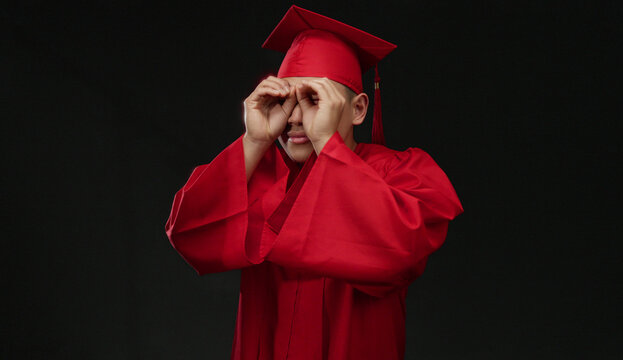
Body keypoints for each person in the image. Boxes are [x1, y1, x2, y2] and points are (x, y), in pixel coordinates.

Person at [165, 5, 463, 360]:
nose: (292, 117)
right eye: (284, 99)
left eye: (313, 100)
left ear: (358, 109)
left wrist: (327, 143)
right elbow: (188, 233)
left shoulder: (400, 173)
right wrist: (255, 142)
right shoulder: (260, 174)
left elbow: (398, 249)